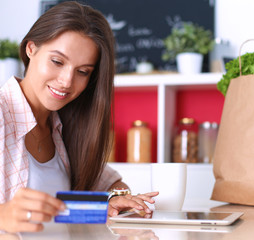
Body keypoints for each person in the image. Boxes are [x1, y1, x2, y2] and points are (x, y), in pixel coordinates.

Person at [0, 1, 158, 233]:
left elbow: (108, 184)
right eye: (57, 61)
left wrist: (112, 200)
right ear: (31, 48)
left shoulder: (65, 127)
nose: (66, 81)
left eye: (82, 72)